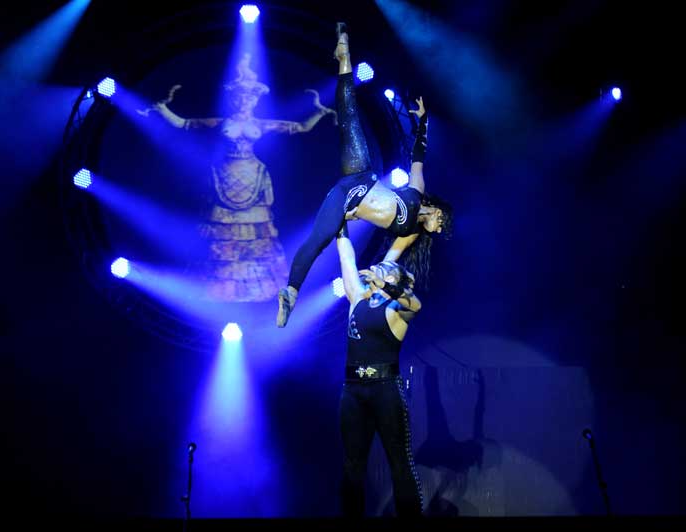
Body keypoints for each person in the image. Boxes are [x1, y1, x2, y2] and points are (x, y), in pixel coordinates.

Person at [276, 23, 453, 326]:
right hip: (361, 176)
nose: (437, 230)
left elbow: (388, 260)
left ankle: (291, 293)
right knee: (349, 118)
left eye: (440, 230)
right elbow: (417, 158)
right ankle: (344, 57)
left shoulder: (410, 234)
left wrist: (377, 277)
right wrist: (423, 123)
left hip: (347, 204)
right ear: (438, 211)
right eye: (441, 224)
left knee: (319, 240)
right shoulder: (417, 192)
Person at [140, 53, 337, 302]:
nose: (245, 101)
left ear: (255, 100)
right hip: (224, 173)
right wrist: (163, 109)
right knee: (222, 225)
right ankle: (219, 284)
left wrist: (320, 112)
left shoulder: (262, 124)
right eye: (240, 97)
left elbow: (300, 127)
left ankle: (254, 286)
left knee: (256, 227)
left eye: (250, 97)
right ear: (233, 99)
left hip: (253, 172)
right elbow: (184, 124)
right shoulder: (220, 122)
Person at [335, 220, 424, 517]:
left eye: (388, 269)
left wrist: (385, 283)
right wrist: (339, 222)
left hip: (385, 390)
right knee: (352, 465)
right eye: (380, 268)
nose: (379, 268)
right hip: (353, 391)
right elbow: (347, 257)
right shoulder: (358, 298)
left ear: (396, 281)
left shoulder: (397, 310)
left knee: (398, 461)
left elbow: (415, 305)